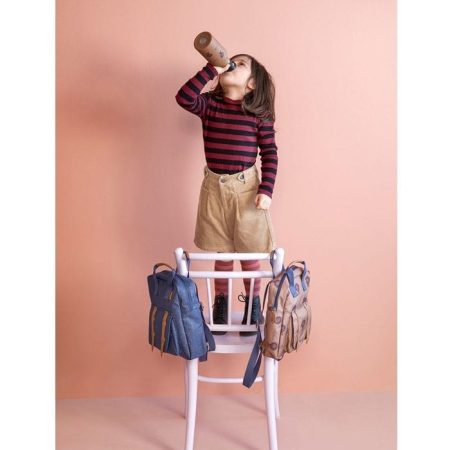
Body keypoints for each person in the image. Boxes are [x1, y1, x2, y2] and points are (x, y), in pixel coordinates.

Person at [175, 54, 279, 336]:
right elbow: (184, 97)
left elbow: (270, 153)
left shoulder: (257, 115)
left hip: (247, 190)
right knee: (222, 251)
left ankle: (252, 306)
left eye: (239, 64)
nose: (231, 64)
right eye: (229, 61)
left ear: (251, 84)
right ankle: (220, 304)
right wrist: (211, 68)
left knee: (248, 251)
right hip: (214, 189)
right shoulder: (210, 105)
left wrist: (266, 189)